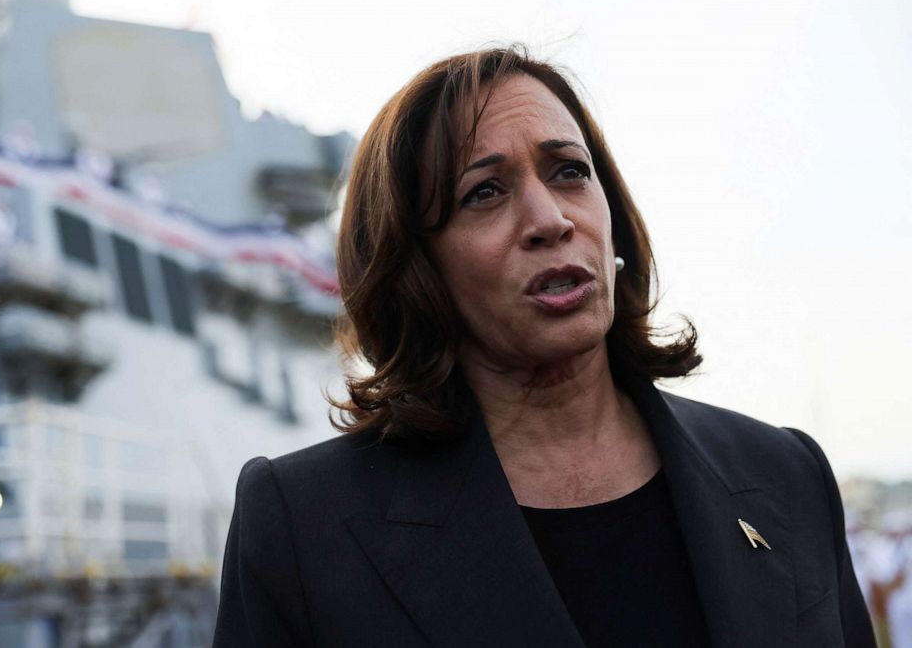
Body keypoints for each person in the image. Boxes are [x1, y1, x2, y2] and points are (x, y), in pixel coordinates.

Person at [213, 46, 876, 647]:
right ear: (417, 268)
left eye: (568, 171)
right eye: (485, 192)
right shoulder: (302, 526)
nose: (550, 219)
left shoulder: (788, 473)